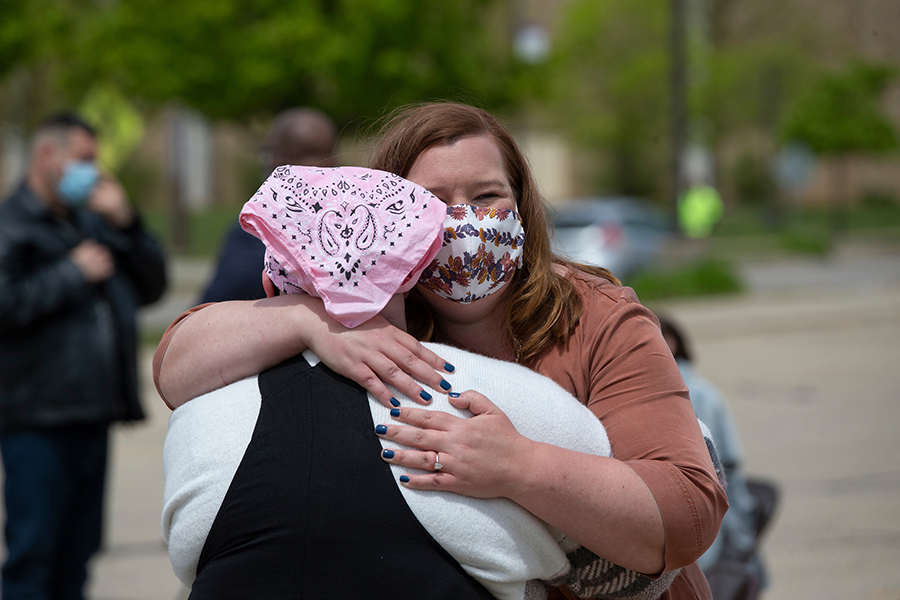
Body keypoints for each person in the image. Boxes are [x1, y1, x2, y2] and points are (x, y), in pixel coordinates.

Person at [153, 102, 727, 599]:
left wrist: (518, 467)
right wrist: (308, 321)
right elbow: (176, 365)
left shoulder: (597, 316)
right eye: (433, 203)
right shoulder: (375, 312)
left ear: (522, 206)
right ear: (388, 221)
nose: (463, 224)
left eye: (487, 196)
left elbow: (685, 515)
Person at [0, 113, 167, 600]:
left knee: (78, 555)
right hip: (36, 416)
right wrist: (71, 273)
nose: (92, 174)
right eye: (84, 161)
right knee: (34, 555)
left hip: (93, 412)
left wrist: (128, 221)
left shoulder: (91, 223)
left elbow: (151, 286)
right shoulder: (12, 224)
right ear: (47, 156)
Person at [658, 317, 768, 590]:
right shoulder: (692, 388)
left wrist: (742, 534)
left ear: (670, 342)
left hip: (708, 530)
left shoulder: (692, 393)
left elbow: (721, 465)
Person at [198, 107, 338, 303]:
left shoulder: (258, 227)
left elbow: (211, 306)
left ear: (277, 158)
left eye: (269, 152)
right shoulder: (360, 220)